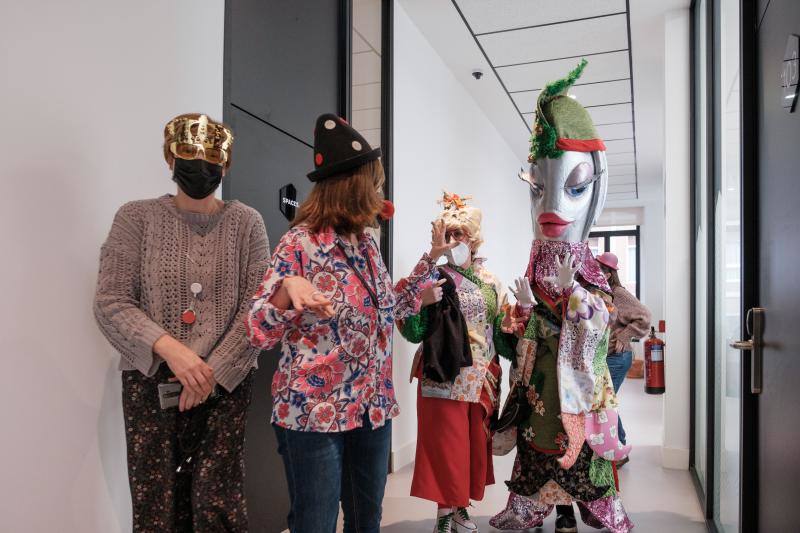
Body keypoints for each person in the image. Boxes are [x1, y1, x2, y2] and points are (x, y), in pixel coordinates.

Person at [245, 114, 456, 533]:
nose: (380, 192)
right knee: (315, 523)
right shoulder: (300, 242)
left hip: (371, 411)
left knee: (367, 521)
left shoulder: (367, 246)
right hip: (314, 415)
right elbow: (257, 329)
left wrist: (430, 262)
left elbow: (388, 308)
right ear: (352, 186)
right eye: (374, 183)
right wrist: (288, 289)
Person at [94, 113, 270, 532]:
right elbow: (111, 301)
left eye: (211, 158)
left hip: (225, 383)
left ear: (226, 166)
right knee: (156, 506)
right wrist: (174, 352)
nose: (199, 166)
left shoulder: (247, 223)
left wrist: (208, 373)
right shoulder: (136, 219)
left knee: (218, 504)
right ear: (169, 157)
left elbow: (259, 308)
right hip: (151, 380)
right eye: (187, 154)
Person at [489, 61, 633, 533]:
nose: (551, 206)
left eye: (574, 187)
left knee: (579, 445)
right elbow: (513, 343)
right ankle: (536, 505)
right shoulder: (531, 267)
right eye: (537, 187)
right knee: (539, 439)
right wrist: (524, 312)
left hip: (577, 388)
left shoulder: (593, 270)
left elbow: (600, 329)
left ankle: (579, 508)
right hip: (539, 389)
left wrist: (574, 294)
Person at [398, 192, 516, 533]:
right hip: (443, 373)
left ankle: (461, 506)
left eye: (458, 235)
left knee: (472, 447)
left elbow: (502, 338)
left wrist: (512, 329)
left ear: (475, 239)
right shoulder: (431, 276)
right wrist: (420, 302)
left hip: (482, 377)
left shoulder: (492, 283)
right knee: (446, 446)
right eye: (447, 234)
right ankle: (444, 512)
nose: (452, 241)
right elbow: (413, 329)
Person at [596, 251, 651, 459]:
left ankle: (620, 448)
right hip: (607, 356)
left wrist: (625, 336)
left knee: (606, 401)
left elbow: (644, 316)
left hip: (618, 357)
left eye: (597, 268)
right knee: (605, 401)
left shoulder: (618, 293)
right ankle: (617, 446)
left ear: (608, 273)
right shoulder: (599, 292)